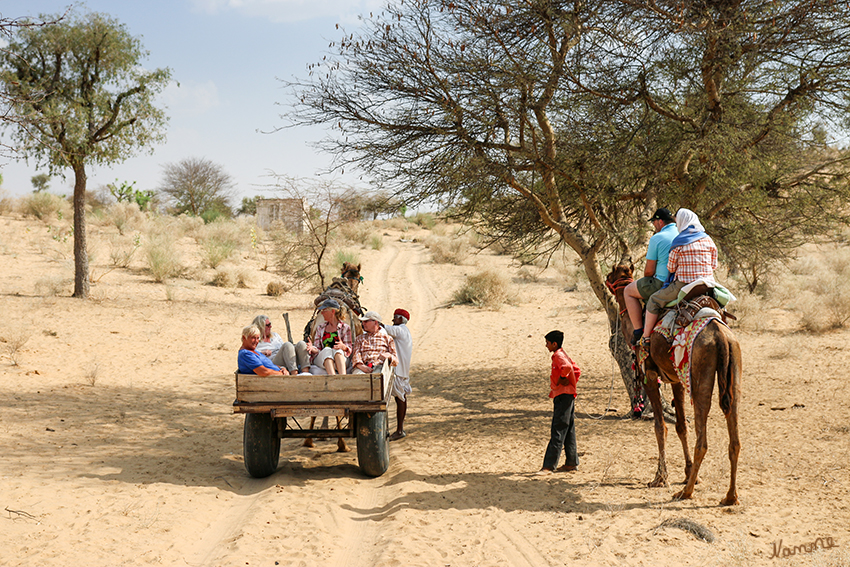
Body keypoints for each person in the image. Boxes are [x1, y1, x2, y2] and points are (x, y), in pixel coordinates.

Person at [641, 208, 718, 341]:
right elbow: (714, 265)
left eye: (678, 223)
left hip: (684, 286)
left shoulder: (679, 242)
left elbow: (670, 268)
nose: (677, 226)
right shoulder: (708, 240)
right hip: (707, 285)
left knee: (653, 301)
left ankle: (646, 337)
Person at [625, 208, 678, 345]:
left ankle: (638, 331)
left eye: (654, 222)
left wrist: (648, 277)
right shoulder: (682, 233)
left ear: (660, 221)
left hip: (661, 283)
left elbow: (649, 271)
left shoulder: (657, 238)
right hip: (683, 281)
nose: (654, 225)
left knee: (628, 291)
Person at [540, 330, 580, 473]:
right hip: (567, 395)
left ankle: (548, 466)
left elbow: (569, 368)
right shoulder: (562, 354)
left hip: (563, 396)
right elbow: (577, 370)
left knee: (558, 429)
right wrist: (571, 383)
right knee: (568, 429)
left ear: (554, 344)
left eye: (548, 343)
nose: (546, 346)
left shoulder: (558, 355)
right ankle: (571, 462)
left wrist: (563, 379)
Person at [383, 308, 413, 441]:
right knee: (400, 398)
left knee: (399, 398)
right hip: (401, 370)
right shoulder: (404, 332)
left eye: (395, 317)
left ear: (401, 319)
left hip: (399, 371)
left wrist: (373, 321)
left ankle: (400, 430)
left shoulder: (400, 330)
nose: (393, 319)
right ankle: (398, 429)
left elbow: (384, 328)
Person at [305, 299, 353, 375]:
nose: (322, 313)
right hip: (323, 359)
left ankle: (343, 378)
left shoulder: (345, 328)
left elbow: (349, 349)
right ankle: (333, 378)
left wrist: (343, 347)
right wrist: (312, 348)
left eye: (324, 310)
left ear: (332, 311)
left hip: (340, 359)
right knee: (327, 350)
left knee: (339, 351)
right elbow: (318, 349)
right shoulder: (320, 327)